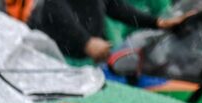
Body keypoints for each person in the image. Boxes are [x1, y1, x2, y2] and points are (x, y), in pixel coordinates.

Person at [28, 0, 184, 62]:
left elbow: (115, 7)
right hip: (60, 59)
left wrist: (156, 22)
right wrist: (85, 41)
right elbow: (55, 7)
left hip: (86, 59)